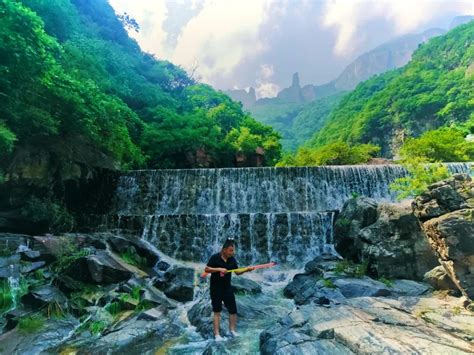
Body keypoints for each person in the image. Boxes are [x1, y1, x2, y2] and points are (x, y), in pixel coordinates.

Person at [204, 238, 254, 341]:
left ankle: (232, 331)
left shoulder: (232, 259)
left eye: (233, 250)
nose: (233, 252)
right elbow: (207, 269)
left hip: (227, 288)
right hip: (216, 288)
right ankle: (217, 335)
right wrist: (219, 269)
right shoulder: (215, 258)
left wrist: (247, 270)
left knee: (233, 310)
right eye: (231, 250)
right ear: (224, 250)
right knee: (217, 311)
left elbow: (237, 272)